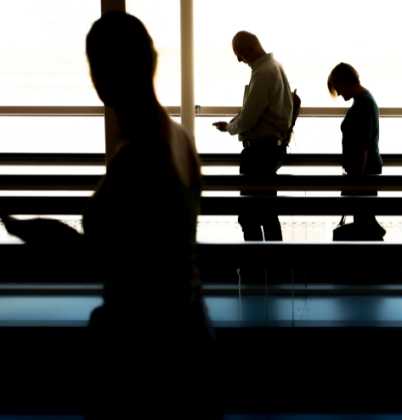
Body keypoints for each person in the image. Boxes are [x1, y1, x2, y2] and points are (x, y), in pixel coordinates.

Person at [5, 11, 219, 418]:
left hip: (141, 352)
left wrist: (32, 231)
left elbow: (101, 257)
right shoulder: (178, 138)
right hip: (187, 334)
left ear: (102, 73)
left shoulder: (139, 155)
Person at [213, 31, 293, 241]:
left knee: (249, 214)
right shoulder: (275, 67)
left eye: (239, 54)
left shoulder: (263, 73)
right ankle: (274, 268)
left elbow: (249, 117)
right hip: (271, 148)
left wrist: (230, 128)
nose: (239, 60)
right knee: (267, 212)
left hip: (259, 152)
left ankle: (253, 267)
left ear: (250, 48)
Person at [327, 62, 384, 237]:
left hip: (362, 175)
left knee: (363, 222)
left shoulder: (363, 105)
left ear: (345, 82)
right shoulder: (366, 100)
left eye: (338, 88)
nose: (339, 93)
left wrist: (354, 181)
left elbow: (362, 147)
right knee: (365, 222)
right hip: (366, 173)